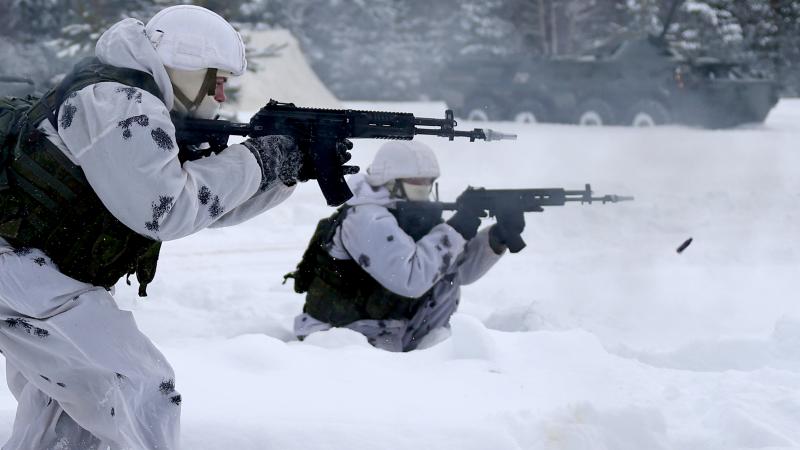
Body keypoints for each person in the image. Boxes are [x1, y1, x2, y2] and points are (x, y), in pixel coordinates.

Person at [0, 6, 326, 449]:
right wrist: (259, 160)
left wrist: (283, 172)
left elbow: (203, 206)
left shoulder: (131, 102)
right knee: (137, 388)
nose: (220, 96)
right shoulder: (121, 105)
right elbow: (167, 210)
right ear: (185, 66)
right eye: (216, 80)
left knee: (69, 408)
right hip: (24, 275)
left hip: (36, 271)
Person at [291, 141, 526, 352]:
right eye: (417, 182)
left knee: (445, 282)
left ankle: (432, 352)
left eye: (429, 182)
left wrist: (495, 239)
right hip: (342, 337)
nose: (424, 187)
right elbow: (410, 279)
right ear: (391, 181)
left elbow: (454, 272)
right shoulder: (365, 217)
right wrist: (456, 229)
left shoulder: (409, 213)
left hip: (386, 328)